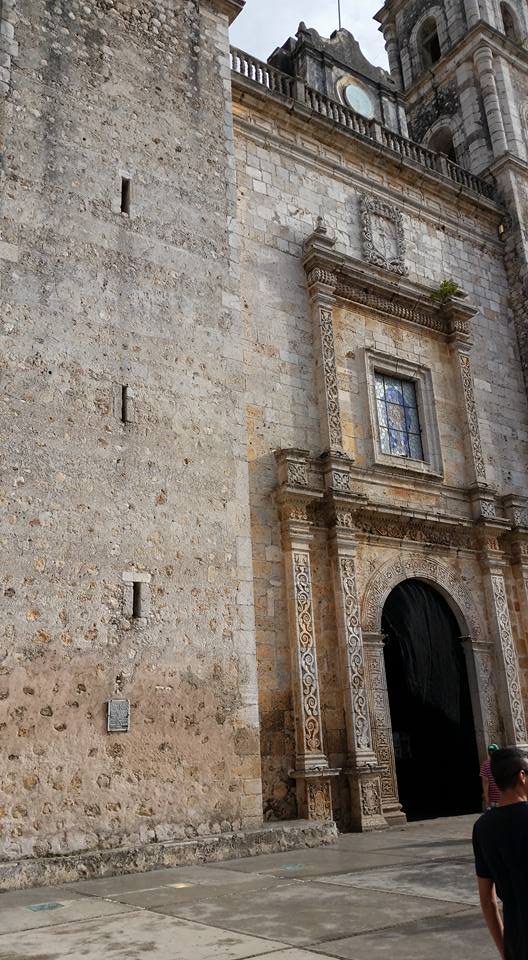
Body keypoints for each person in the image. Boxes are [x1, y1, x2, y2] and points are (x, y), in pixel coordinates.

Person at [472, 746, 528, 960]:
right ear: (522, 776)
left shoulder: (483, 827)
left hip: (516, 938)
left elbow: (487, 900)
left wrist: (505, 949)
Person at [481, 743, 501, 809]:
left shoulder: (485, 764)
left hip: (493, 799)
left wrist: (486, 798)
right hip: (504, 797)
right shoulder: (504, 763)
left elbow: (485, 782)